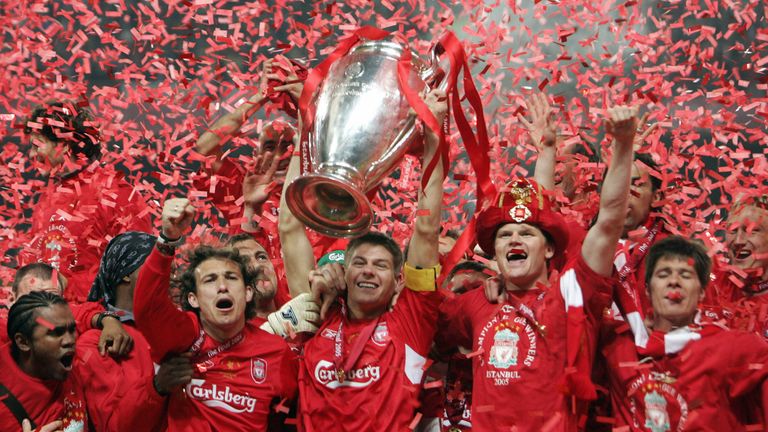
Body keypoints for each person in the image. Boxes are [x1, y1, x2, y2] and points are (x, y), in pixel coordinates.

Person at [438, 105, 639, 430]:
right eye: (505, 236)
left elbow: (609, 221)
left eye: (526, 234)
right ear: (494, 252)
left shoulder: (573, 293)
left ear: (548, 249)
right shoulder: (478, 302)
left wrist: (624, 144)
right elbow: (420, 312)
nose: (514, 240)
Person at [293, 89, 447, 430]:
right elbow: (291, 228)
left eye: (380, 266)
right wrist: (305, 126)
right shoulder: (318, 313)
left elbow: (426, 229)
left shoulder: (410, 324)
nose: (367, 271)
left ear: (398, 280)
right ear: (344, 273)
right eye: (359, 263)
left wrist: (434, 134)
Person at [133, 198, 298, 431]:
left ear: (248, 292)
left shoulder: (277, 353)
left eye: (231, 278)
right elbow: (148, 309)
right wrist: (167, 240)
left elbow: (296, 413)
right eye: (210, 280)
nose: (222, 286)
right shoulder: (185, 337)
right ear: (194, 298)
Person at [603, 236, 768, 431]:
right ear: (647, 290)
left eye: (686, 275)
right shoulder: (619, 347)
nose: (674, 281)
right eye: (663, 274)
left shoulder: (733, 347)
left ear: (701, 292)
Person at [21, 101, 151, 303]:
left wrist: (68, 288)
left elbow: (137, 272)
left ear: (63, 145)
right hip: (43, 318)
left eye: (37, 145)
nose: (31, 154)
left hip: (94, 323)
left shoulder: (117, 193)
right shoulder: (50, 193)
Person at [78, 231, 194, 432]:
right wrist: (157, 387)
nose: (168, 274)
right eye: (154, 266)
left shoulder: (185, 327)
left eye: (168, 266)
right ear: (125, 273)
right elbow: (113, 427)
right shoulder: (97, 342)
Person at [0, 291, 87, 432]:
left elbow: (84, 312)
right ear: (23, 342)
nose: (70, 340)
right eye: (56, 333)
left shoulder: (66, 361)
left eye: (72, 330)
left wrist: (105, 318)